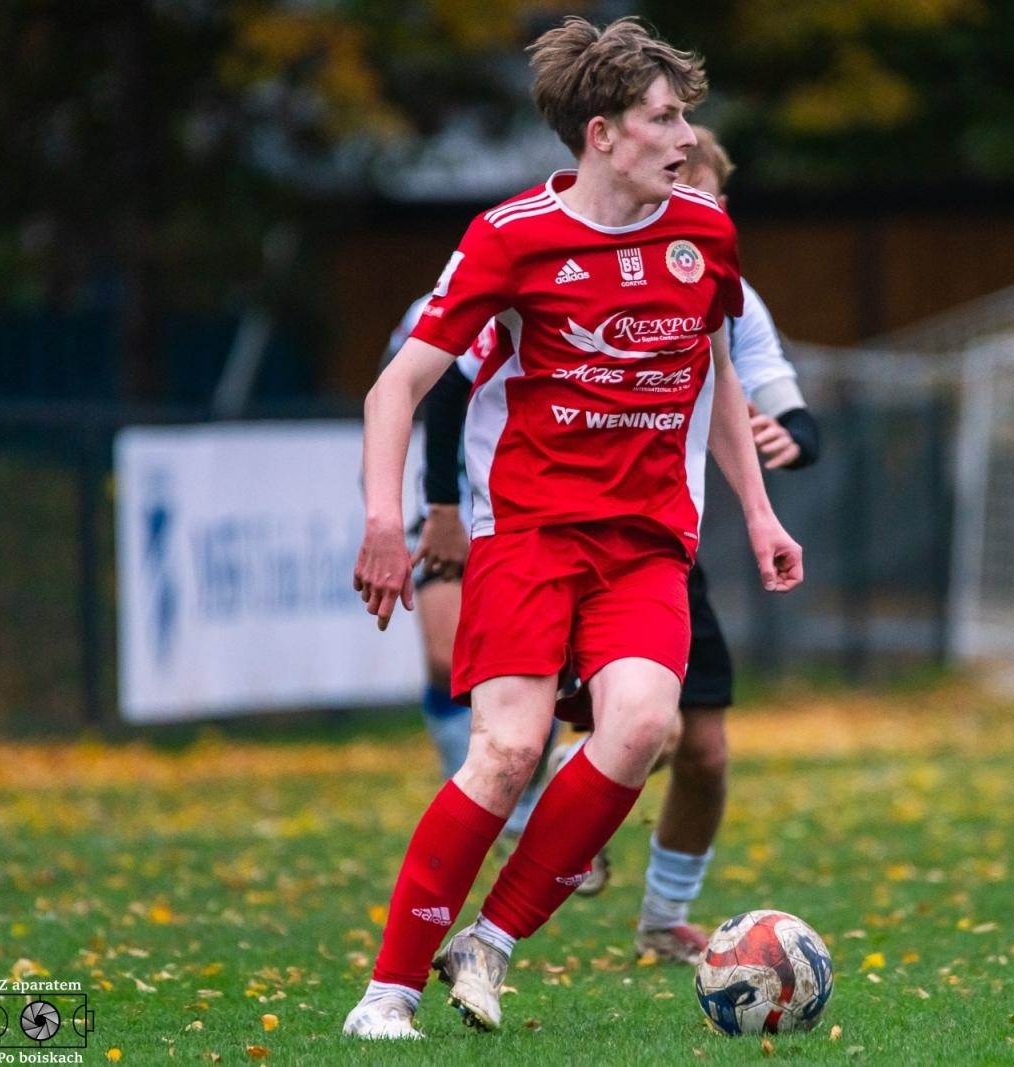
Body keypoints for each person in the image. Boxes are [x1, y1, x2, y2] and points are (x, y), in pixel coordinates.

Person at [344, 15, 802, 1041]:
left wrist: (761, 512)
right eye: (665, 117)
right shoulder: (509, 238)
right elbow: (397, 387)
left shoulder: (704, 232)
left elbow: (718, 374)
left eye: (685, 116)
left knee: (642, 724)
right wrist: (388, 519)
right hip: (531, 534)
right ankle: (388, 992)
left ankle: (492, 942)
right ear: (602, 133)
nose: (686, 136)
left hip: (646, 541)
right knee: (506, 752)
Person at [542, 126, 822, 965]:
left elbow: (787, 405)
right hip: (567, 535)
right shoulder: (571, 262)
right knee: (645, 731)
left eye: (697, 194)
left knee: (704, 751)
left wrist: (792, 438)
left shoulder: (722, 283)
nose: (683, 209)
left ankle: (663, 919)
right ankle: (554, 827)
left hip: (667, 543)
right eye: (670, 191)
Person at [387, 302, 558, 844]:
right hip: (445, 500)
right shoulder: (425, 313)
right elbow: (401, 394)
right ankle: (459, 771)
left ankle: (522, 793)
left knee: (541, 658)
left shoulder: (557, 297)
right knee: (446, 657)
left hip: (524, 503)